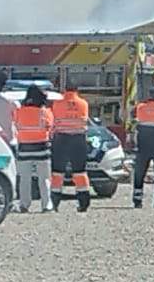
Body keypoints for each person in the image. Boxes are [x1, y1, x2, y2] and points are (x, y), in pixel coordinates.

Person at [49, 83, 94, 213]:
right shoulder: (83, 103)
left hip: (61, 139)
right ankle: (83, 202)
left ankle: (54, 202)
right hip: (78, 139)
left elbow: (54, 120)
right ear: (77, 90)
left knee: (57, 172)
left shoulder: (57, 103)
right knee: (80, 172)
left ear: (65, 90)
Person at [11, 84, 54, 213]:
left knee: (24, 178)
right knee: (44, 178)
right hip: (42, 147)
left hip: (24, 148)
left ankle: (24, 204)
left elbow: (15, 124)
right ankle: (47, 205)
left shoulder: (19, 111)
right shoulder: (45, 112)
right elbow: (50, 126)